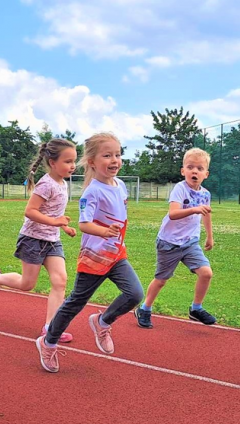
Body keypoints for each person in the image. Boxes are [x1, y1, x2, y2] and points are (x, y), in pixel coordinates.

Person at [36, 133, 144, 373]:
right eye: (107, 155)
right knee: (75, 302)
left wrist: (114, 235)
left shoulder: (121, 185)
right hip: (94, 258)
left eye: (117, 154)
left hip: (116, 255)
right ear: (92, 162)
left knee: (135, 294)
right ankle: (48, 341)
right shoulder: (91, 192)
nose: (115, 160)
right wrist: (105, 231)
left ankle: (102, 321)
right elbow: (84, 224)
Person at [0, 138, 78, 343]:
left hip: (52, 240)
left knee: (60, 281)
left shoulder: (63, 184)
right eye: (68, 161)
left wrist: (63, 226)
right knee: (27, 284)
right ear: (52, 163)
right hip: (32, 240)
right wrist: (54, 221)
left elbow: (54, 212)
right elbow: (30, 211)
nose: (73, 166)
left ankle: (51, 328)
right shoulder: (46, 184)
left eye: (73, 161)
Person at [135, 148, 216, 328]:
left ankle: (196, 309)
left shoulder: (205, 194)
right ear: (183, 171)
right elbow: (173, 214)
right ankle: (145, 308)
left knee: (206, 273)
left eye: (199, 168)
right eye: (190, 167)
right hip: (169, 242)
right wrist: (194, 209)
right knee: (162, 279)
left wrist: (210, 236)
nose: (194, 171)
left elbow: (207, 214)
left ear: (206, 174)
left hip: (190, 242)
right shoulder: (179, 189)